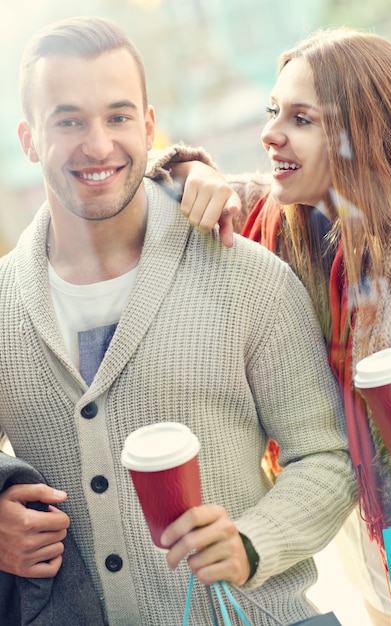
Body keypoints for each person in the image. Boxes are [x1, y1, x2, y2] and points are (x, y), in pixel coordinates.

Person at [0, 16, 356, 625]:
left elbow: (327, 457)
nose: (97, 144)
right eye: (68, 121)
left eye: (117, 117)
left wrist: (252, 542)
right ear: (29, 140)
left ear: (148, 125)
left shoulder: (248, 278)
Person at [152, 26, 391, 626]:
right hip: (369, 522)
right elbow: (149, 184)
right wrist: (188, 172)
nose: (270, 132)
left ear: (361, 133)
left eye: (302, 118)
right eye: (274, 110)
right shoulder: (282, 219)